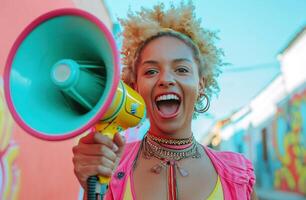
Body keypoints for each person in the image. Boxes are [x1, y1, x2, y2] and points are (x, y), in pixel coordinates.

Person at [72, 2, 256, 200]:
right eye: (151, 71)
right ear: (135, 87)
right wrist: (94, 187)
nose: (166, 79)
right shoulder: (111, 162)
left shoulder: (239, 174)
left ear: (201, 84)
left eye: (182, 69)